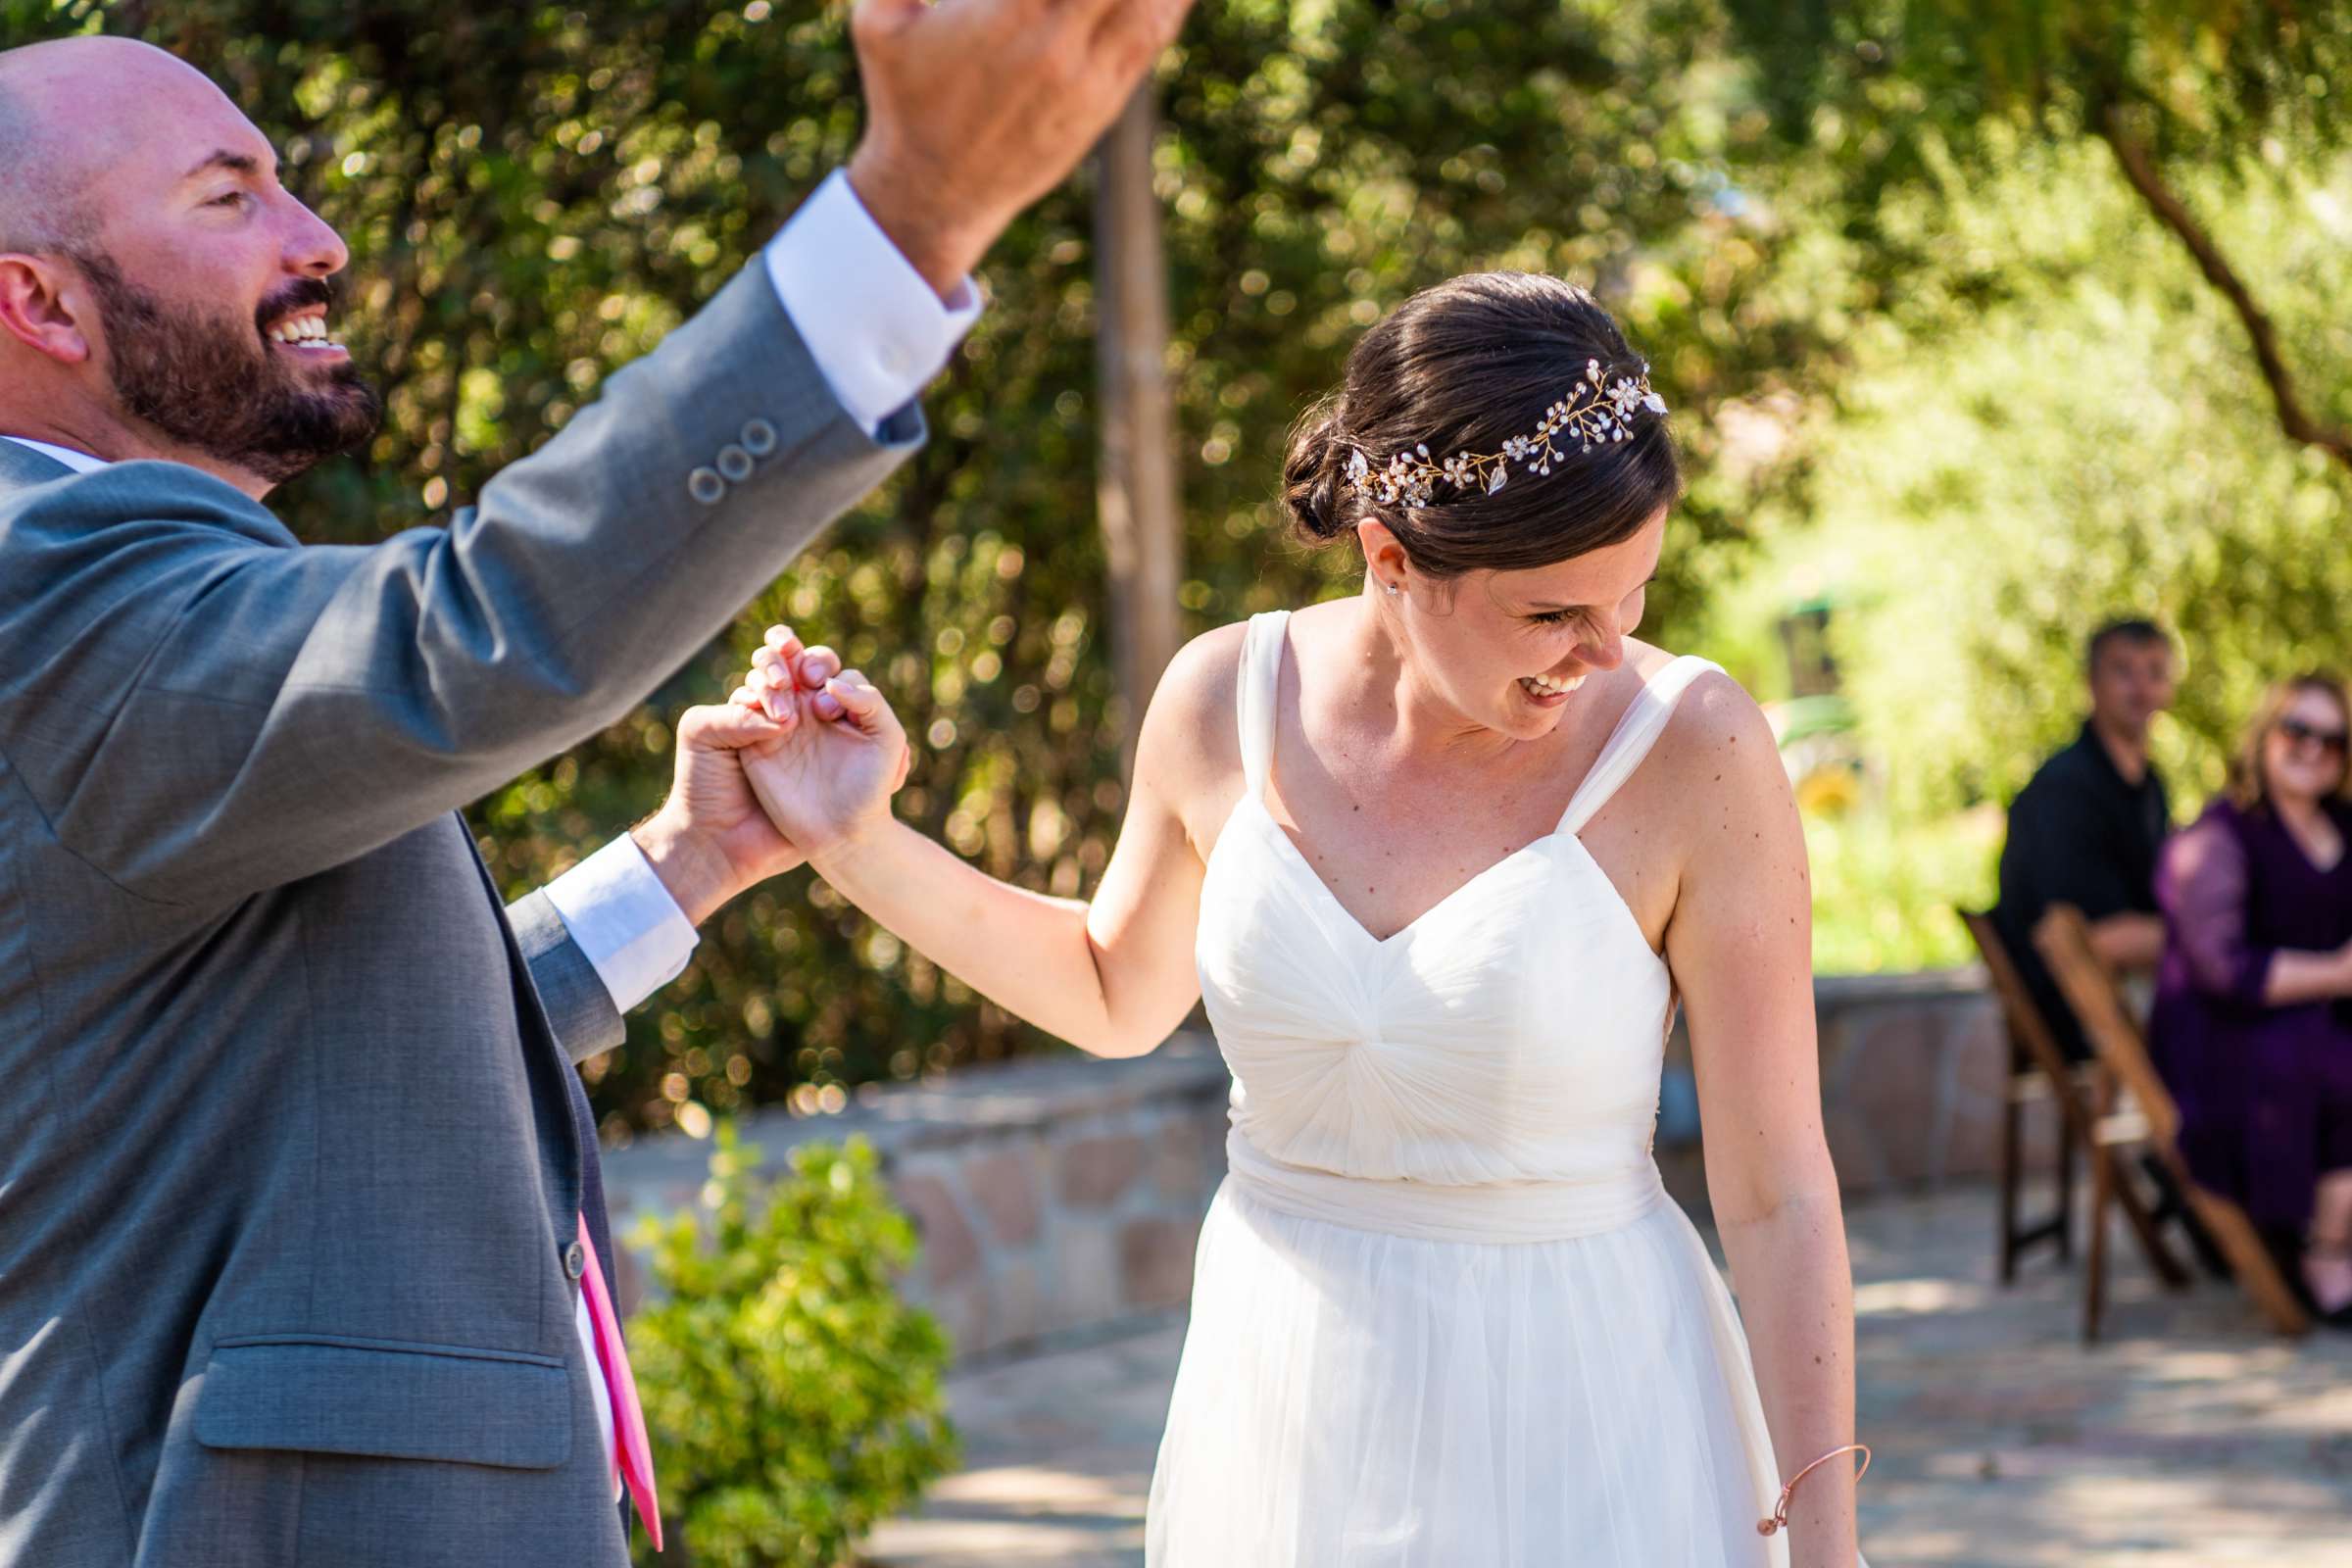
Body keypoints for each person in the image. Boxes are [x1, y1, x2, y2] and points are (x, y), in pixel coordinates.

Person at [0, 4, 1189, 1562]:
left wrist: (680, 870)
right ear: (40, 302)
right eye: (230, 199)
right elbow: (469, 637)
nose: (321, 236)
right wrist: (903, 231)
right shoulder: (50, 584)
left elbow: (316, 1054)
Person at [731, 273, 1866, 1565]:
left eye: (1634, 595)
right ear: (1393, 559)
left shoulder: (1696, 750)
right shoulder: (1226, 698)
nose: (1605, 651)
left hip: (1591, 1408)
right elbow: (1112, 991)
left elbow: (1777, 1190)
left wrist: (1826, 1544)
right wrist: (855, 841)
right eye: (1553, 612)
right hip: (1286, 1416)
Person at [2149, 674, 2352, 1323]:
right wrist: (2338, 974)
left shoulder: (2345, 827)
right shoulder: (2219, 836)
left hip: (2324, 1019)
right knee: (2334, 1065)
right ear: (2265, 736)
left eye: (2333, 738)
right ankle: (2325, 1248)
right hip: (2231, 1033)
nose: (2313, 749)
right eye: (2297, 730)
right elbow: (2221, 969)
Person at [1992, 619, 2177, 1057]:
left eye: (2155, 672)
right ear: (2091, 683)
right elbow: (2092, 940)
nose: (2141, 688)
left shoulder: (2150, 784)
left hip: (2123, 995)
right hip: (2074, 1007)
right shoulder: (2064, 790)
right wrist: (2214, 942)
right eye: (2123, 671)